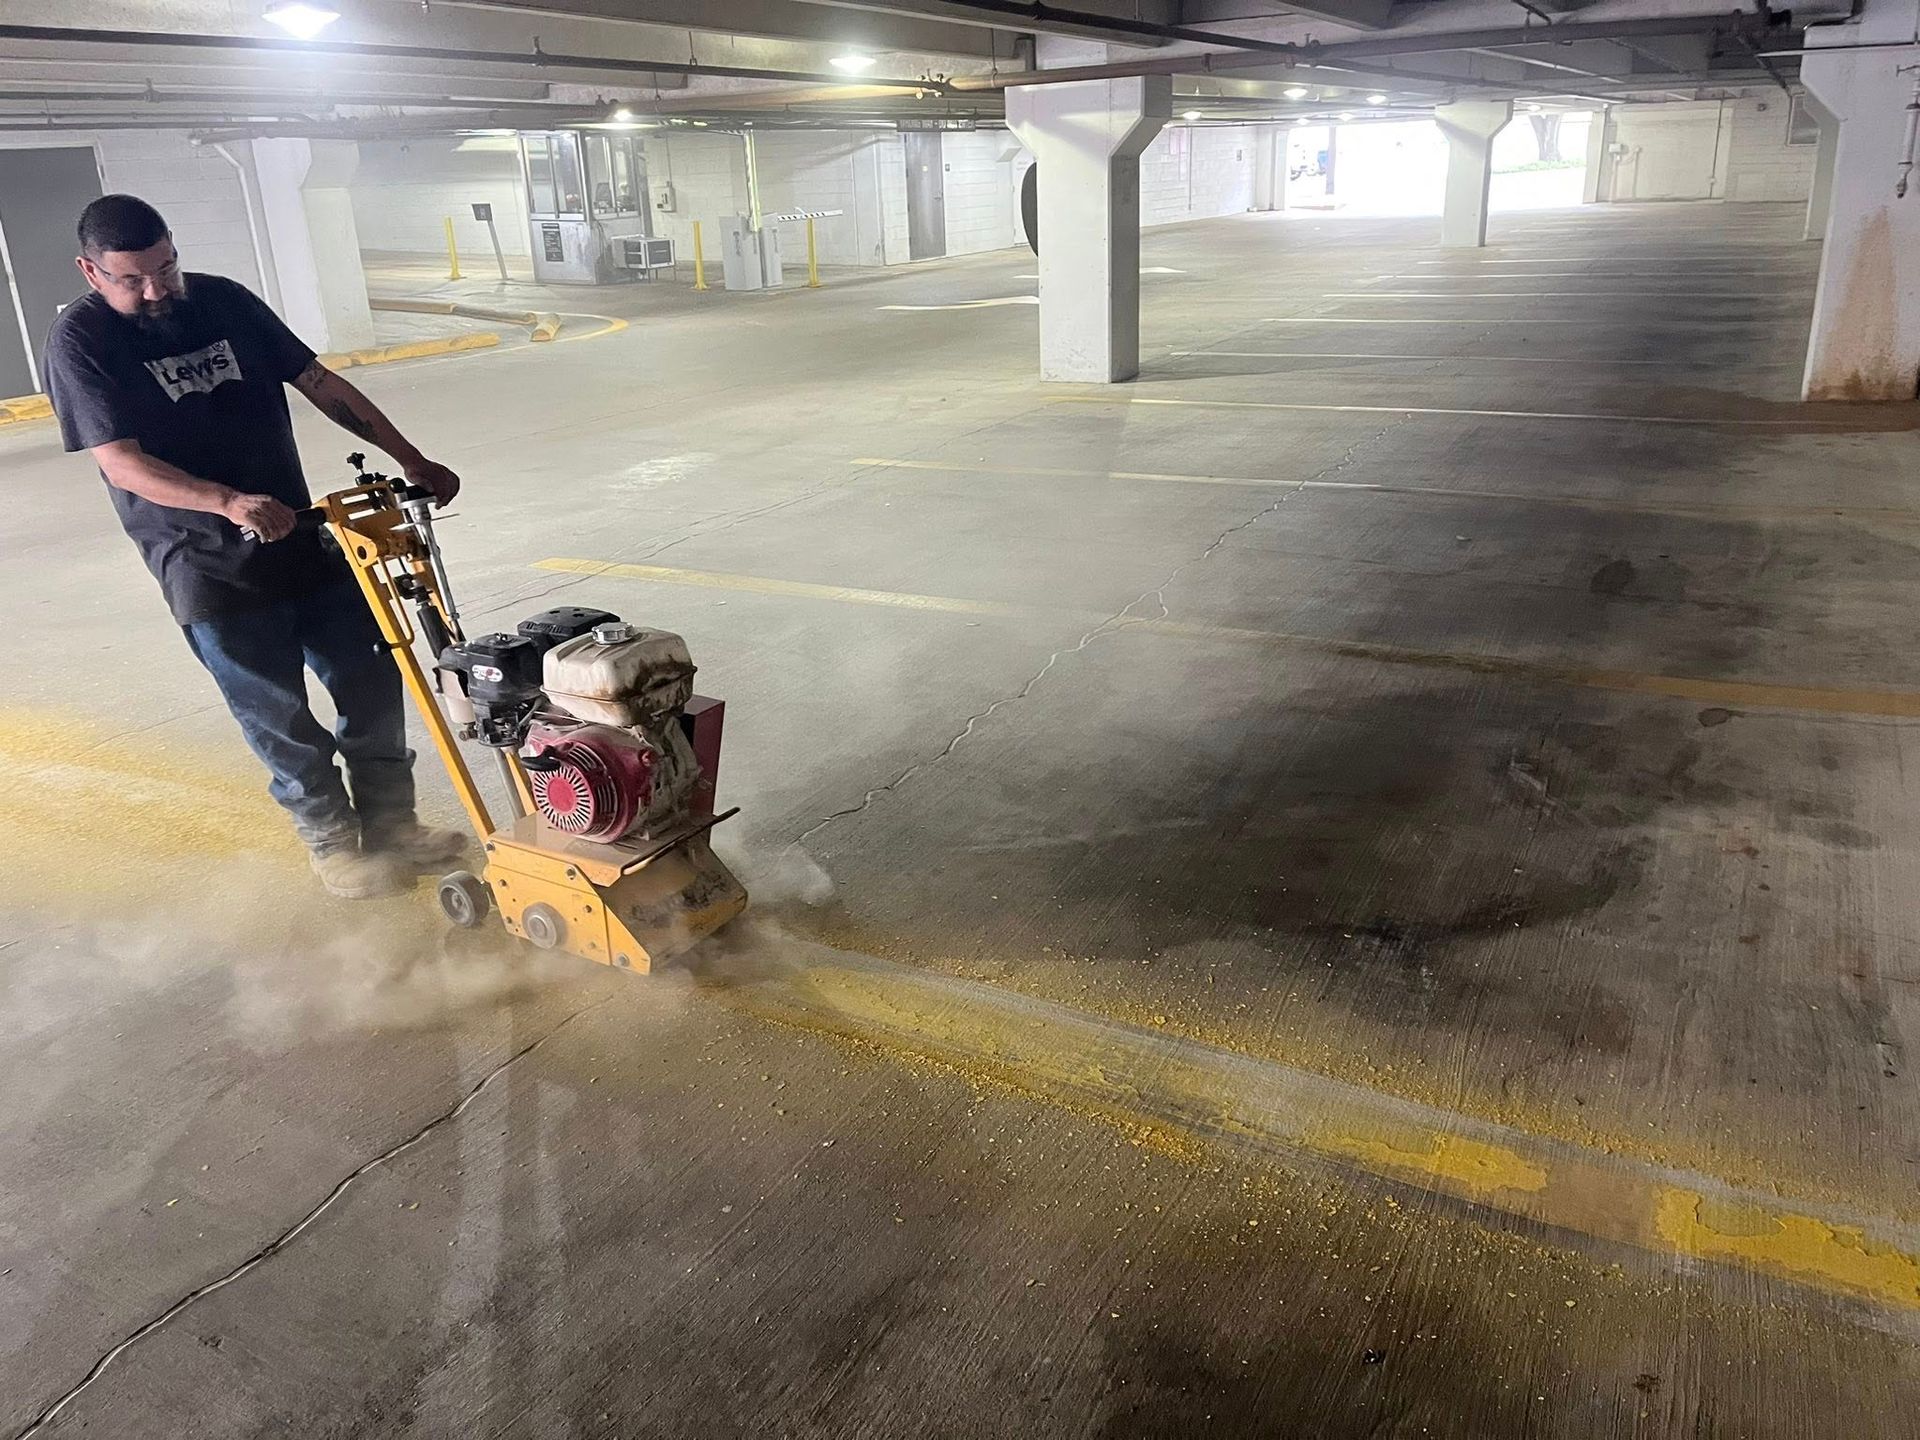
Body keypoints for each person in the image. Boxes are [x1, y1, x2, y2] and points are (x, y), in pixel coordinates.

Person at [43, 194, 468, 900]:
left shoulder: (225, 302)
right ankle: (334, 845)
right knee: (279, 716)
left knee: (372, 681)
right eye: (132, 279)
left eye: (166, 268)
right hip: (203, 563)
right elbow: (118, 461)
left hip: (302, 534)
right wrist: (226, 501)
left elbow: (319, 382)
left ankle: (394, 828)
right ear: (90, 271)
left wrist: (411, 456)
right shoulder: (81, 342)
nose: (155, 290)